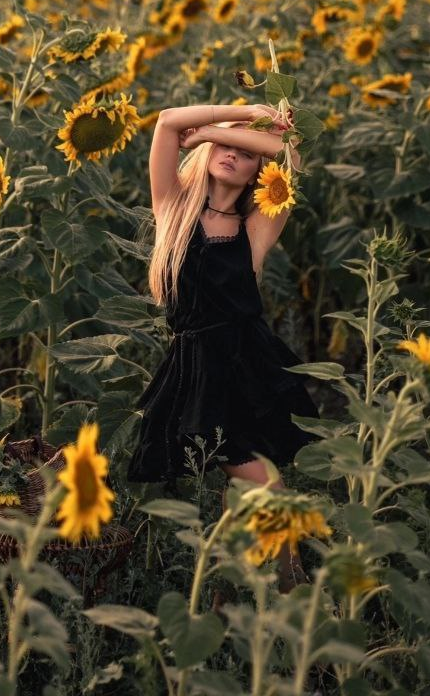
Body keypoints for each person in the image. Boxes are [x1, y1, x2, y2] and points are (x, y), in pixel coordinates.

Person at [126, 100, 321, 592]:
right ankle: (296, 595)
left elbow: (290, 156)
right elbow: (168, 120)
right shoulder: (172, 208)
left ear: (260, 170)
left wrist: (221, 131)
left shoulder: (256, 227)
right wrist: (242, 112)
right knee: (268, 489)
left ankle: (231, 604)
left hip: (251, 366)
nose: (232, 153)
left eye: (245, 150)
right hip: (200, 372)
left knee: (244, 499)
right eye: (224, 146)